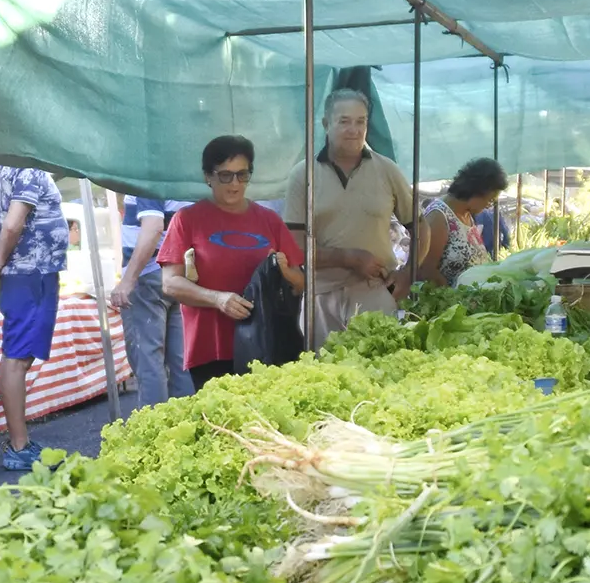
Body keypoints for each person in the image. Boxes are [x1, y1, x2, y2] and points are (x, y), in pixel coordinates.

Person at [157, 135, 306, 389]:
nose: (235, 183)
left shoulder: (270, 220)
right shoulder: (187, 220)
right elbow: (170, 283)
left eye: (242, 175)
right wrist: (218, 299)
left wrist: (284, 271)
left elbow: (300, 283)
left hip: (267, 344)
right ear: (208, 176)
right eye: (225, 175)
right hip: (211, 348)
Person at [283, 89, 417, 333]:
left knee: (379, 357)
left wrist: (408, 273)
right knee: (325, 359)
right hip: (321, 297)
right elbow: (294, 248)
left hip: (375, 291)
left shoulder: (387, 170)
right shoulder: (303, 175)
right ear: (326, 124)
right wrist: (348, 258)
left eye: (360, 122)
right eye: (344, 121)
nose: (353, 130)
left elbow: (420, 227)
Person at [0, 166, 68, 471]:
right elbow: (12, 223)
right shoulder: (28, 168)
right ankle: (19, 447)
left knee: (15, 357)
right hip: (32, 272)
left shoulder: (7, 168)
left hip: (26, 273)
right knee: (17, 359)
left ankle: (20, 443)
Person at [113, 195, 193, 409]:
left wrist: (128, 280)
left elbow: (154, 226)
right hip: (177, 273)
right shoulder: (178, 178)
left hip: (148, 275)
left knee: (148, 360)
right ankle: (187, 423)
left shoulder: (146, 178)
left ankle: (154, 426)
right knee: (180, 362)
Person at [415, 158, 508, 288]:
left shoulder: (467, 214)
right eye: (490, 200)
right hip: (449, 298)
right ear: (477, 192)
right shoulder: (438, 216)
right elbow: (425, 270)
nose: (489, 206)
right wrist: (452, 295)